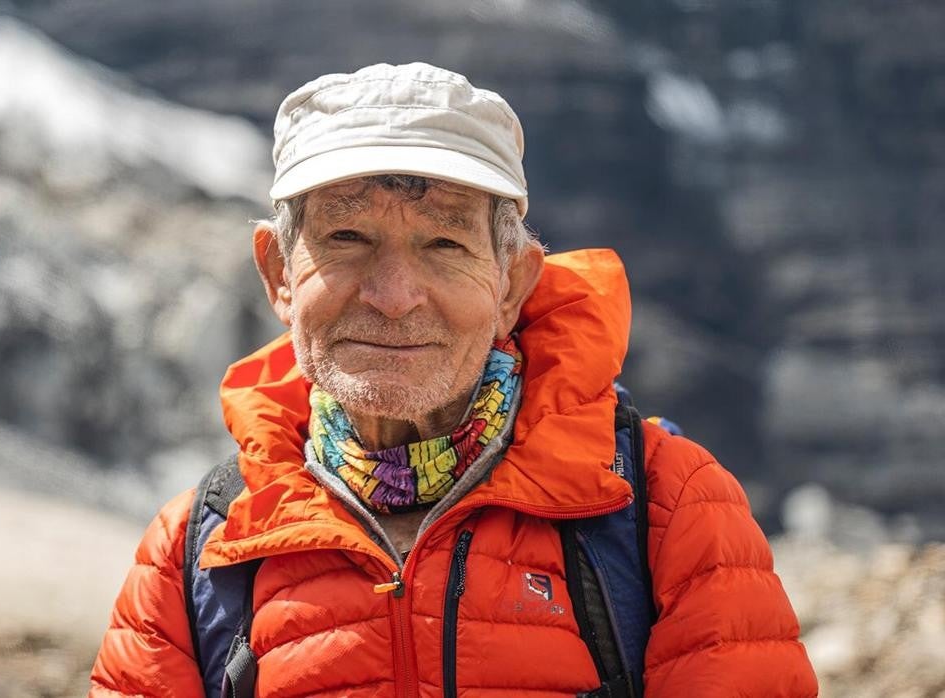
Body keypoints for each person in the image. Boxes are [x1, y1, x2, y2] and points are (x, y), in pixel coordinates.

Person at [88, 62, 817, 697]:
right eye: (346, 238)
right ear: (279, 273)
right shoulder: (198, 550)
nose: (394, 295)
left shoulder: (667, 507)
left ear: (512, 284)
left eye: (444, 243)